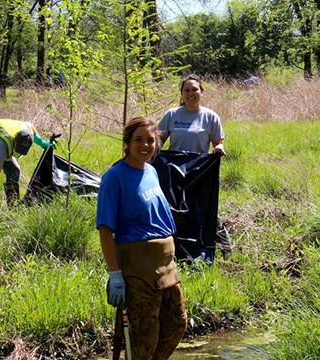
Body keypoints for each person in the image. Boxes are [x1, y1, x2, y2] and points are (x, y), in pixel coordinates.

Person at [96, 116, 187, 359]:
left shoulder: (152, 172)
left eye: (150, 140)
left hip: (166, 267)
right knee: (143, 337)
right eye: (139, 140)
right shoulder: (114, 178)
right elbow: (105, 230)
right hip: (138, 271)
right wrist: (114, 275)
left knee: (176, 324)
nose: (145, 146)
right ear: (127, 142)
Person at [158, 74, 231, 257]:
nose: (191, 93)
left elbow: (218, 142)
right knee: (176, 208)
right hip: (174, 172)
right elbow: (159, 140)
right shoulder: (172, 115)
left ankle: (224, 245)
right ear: (181, 93)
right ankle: (178, 247)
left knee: (205, 208)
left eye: (194, 90)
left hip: (200, 171)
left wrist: (219, 148)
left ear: (201, 92)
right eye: (186, 90)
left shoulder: (210, 117)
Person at [0, 119, 52, 208]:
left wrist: (42, 142)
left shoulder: (27, 130)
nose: (19, 152)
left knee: (15, 171)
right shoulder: (3, 144)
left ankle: (12, 203)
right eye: (18, 148)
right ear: (14, 141)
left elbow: (31, 126)